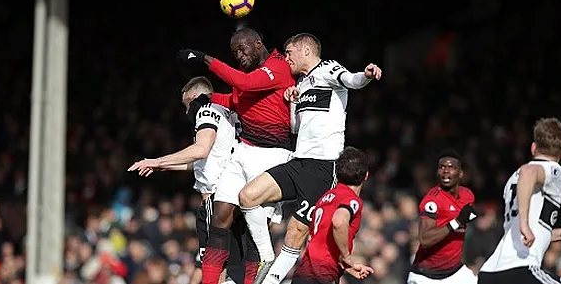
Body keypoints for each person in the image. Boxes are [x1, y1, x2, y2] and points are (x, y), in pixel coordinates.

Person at [237, 33, 382, 284]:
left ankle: (270, 281)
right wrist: (292, 103)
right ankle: (266, 254)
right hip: (298, 161)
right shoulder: (302, 84)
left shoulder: (328, 68)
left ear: (306, 50)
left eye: (290, 52)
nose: (287, 58)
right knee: (247, 196)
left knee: (295, 232)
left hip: (324, 167)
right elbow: (295, 128)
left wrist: (366, 75)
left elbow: (352, 80)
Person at [177, 28, 296, 284]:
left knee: (255, 231)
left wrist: (205, 59)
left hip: (270, 155)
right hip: (243, 151)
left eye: (243, 49)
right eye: (234, 53)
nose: (239, 56)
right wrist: (206, 99)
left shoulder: (278, 67)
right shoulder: (248, 73)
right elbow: (236, 99)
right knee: (220, 218)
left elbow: (245, 85)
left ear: (258, 43)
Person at [127, 76, 246, 284]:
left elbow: (200, 150)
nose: (186, 112)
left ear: (194, 98)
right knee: (224, 265)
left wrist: (156, 160)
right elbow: (203, 161)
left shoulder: (206, 110)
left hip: (216, 200)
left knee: (214, 265)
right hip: (233, 197)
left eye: (186, 105)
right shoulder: (227, 114)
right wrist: (162, 166)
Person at [478, 118, 561, 284]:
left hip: (490, 274)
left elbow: (520, 234)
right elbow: (529, 171)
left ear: (533, 147)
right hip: (519, 270)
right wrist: (524, 224)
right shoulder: (553, 170)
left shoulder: (512, 180)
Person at [292, 147, 375, 284]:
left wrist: (346, 266)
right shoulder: (351, 199)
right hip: (323, 274)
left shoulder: (325, 198)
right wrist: (346, 257)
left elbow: (322, 238)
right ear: (366, 175)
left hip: (304, 272)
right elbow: (339, 221)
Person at [407, 150, 478, 284]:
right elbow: (425, 239)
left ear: (461, 173)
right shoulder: (432, 200)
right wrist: (457, 222)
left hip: (455, 272)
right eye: (442, 167)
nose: (445, 171)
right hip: (427, 276)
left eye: (451, 167)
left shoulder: (468, 196)